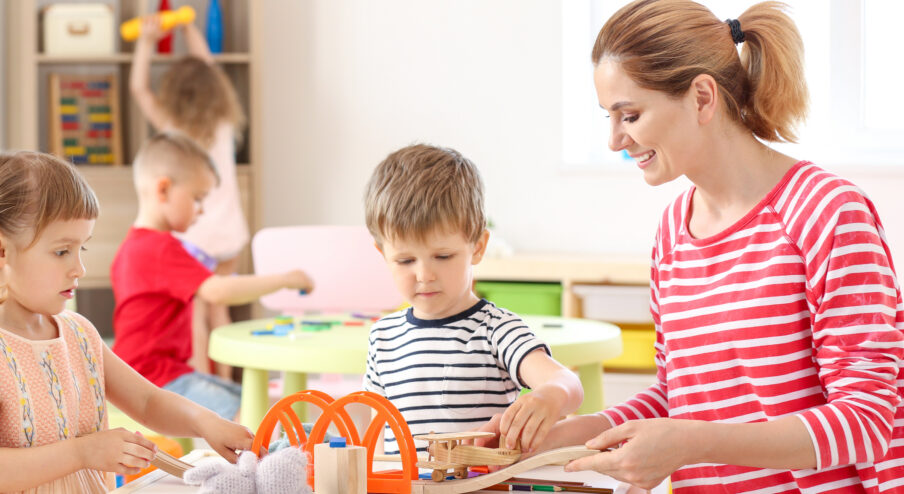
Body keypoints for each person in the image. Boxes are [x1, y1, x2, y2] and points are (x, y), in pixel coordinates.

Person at [515, 1, 904, 492]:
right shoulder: (673, 231)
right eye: (608, 117)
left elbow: (865, 422)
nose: (615, 140)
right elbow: (682, 398)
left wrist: (692, 443)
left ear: (701, 97)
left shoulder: (828, 213)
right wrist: (579, 433)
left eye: (629, 115)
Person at [0, 151, 254, 493]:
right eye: (61, 251)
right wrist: (83, 453)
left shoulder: (78, 334)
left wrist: (206, 422)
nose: (78, 269)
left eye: (81, 249)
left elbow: (147, 402)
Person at [362, 144, 584, 455]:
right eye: (405, 261)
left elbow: (567, 382)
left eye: (442, 256)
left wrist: (552, 395)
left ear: (477, 247)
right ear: (383, 254)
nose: (424, 274)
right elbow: (375, 434)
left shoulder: (497, 330)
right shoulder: (383, 336)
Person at [111, 131, 313, 421]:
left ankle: (314, 447)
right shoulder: (158, 248)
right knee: (252, 417)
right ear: (163, 190)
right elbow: (218, 291)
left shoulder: (133, 246)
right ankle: (304, 454)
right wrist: (285, 279)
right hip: (153, 381)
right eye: (197, 198)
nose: (202, 210)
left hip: (156, 375)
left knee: (255, 404)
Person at [130, 16, 247, 377]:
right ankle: (228, 386)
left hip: (194, 236)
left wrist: (148, 41)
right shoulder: (224, 122)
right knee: (220, 311)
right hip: (229, 234)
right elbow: (208, 66)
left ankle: (201, 383)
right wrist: (188, 29)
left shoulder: (173, 127)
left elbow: (139, 89)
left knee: (193, 313)